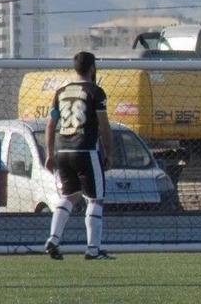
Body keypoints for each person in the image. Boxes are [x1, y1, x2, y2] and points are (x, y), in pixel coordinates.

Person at [43, 51, 115, 260]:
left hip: (62, 151)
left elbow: (51, 124)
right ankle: (93, 250)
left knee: (70, 196)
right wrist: (109, 152)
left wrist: (49, 153)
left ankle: (53, 239)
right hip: (84, 150)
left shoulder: (61, 92)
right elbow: (104, 126)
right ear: (92, 68)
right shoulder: (96, 92)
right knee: (95, 200)